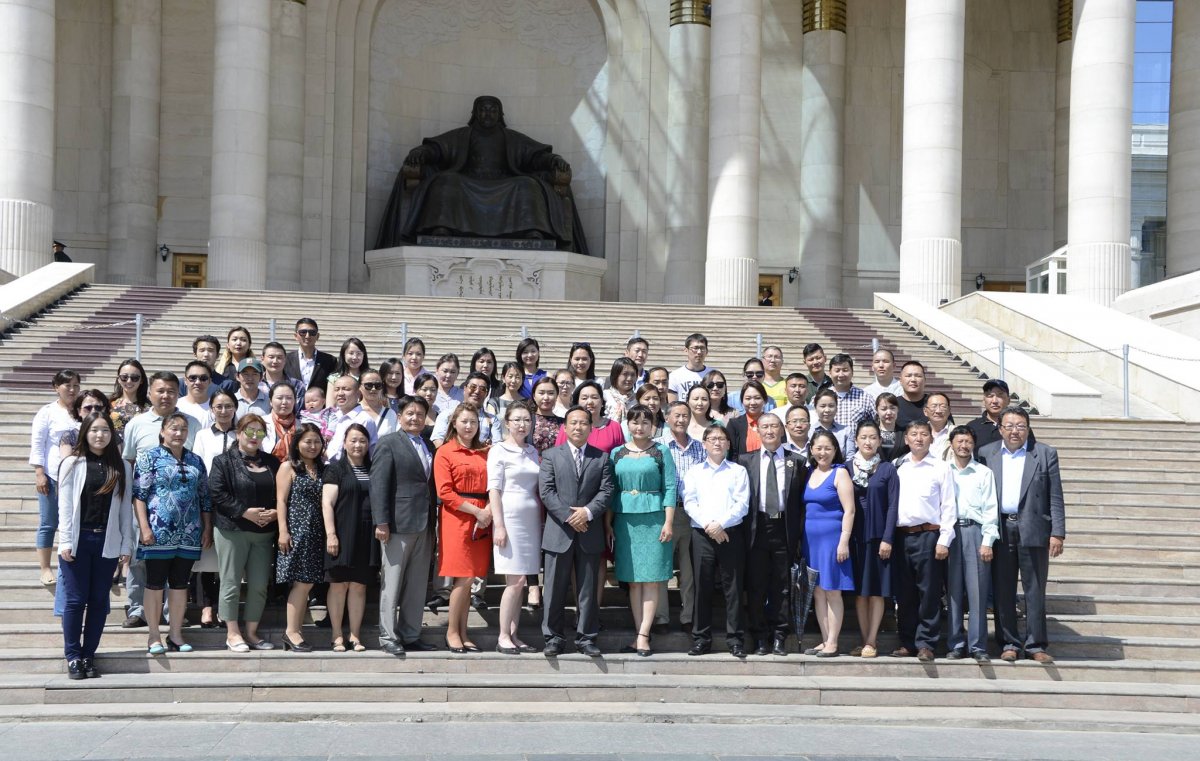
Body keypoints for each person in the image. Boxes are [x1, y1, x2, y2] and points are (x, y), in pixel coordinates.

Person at [978, 406, 1065, 664]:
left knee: (1035, 589)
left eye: (1020, 426)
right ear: (1000, 428)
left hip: (1034, 528)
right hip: (1000, 529)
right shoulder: (986, 453)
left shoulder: (1045, 453)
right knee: (1003, 589)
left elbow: (1056, 496)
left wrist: (1057, 533)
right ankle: (1008, 643)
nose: (1015, 431)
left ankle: (1036, 643)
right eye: (1009, 426)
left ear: (1028, 428)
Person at [120, 371, 201, 629]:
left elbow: (195, 462)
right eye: (160, 391)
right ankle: (136, 609)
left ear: (178, 394)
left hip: (184, 511)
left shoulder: (193, 423)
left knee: (175, 564)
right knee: (139, 560)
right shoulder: (137, 423)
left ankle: (171, 613)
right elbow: (129, 463)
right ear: (150, 393)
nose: (165, 396)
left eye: (171, 391)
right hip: (147, 506)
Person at [57, 413, 136, 679]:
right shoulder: (72, 463)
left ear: (112, 435)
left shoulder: (122, 466)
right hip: (78, 541)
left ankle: (89, 654)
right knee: (76, 600)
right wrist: (66, 540)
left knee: (99, 602)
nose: (99, 435)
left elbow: (125, 508)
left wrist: (126, 543)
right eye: (94, 430)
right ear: (85, 433)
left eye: (104, 430)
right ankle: (73, 656)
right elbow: (65, 506)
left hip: (107, 540)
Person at [132, 413, 212, 654]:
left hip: (189, 532)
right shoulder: (149, 457)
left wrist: (207, 527)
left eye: (183, 429)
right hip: (158, 532)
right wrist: (144, 528)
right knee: (155, 583)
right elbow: (139, 496)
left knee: (180, 584)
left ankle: (176, 634)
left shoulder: (196, 460)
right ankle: (154, 635)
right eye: (173, 428)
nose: (178, 433)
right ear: (163, 431)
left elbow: (204, 497)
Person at [538, 405, 614, 657]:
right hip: (559, 532)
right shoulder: (551, 456)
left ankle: (586, 638)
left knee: (588, 590)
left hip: (589, 532)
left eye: (583, 423)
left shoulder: (601, 457)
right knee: (553, 589)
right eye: (573, 422)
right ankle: (553, 637)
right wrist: (571, 516)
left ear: (591, 428)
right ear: (565, 426)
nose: (578, 427)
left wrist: (588, 512)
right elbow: (547, 492)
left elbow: (606, 491)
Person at [606, 405, 677, 657]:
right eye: (635, 422)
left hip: (655, 518)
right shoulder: (616, 453)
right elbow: (611, 491)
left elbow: (670, 487)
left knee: (651, 579)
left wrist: (668, 522)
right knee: (634, 581)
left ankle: (644, 635)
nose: (640, 427)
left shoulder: (661, 451)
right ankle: (639, 634)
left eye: (645, 422)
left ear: (653, 426)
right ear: (628, 424)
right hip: (624, 521)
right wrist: (608, 524)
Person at [370, 396, 438, 656]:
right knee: (393, 582)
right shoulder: (389, 443)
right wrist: (382, 522)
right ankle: (388, 635)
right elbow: (379, 485)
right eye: (410, 413)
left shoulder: (428, 444)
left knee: (418, 583)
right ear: (399, 416)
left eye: (420, 414)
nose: (415, 418)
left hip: (424, 523)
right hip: (397, 524)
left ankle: (411, 634)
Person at [208, 414, 281, 653]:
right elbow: (217, 493)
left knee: (259, 585)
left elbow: (282, 494)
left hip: (264, 533)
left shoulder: (272, 462)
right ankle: (232, 633)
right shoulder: (223, 461)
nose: (254, 436)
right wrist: (244, 512)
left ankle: (251, 632)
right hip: (233, 531)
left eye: (259, 432)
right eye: (249, 431)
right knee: (230, 583)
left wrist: (276, 513)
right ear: (238, 433)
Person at [889, 418, 957, 661]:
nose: (918, 438)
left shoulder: (941, 467)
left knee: (928, 592)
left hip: (929, 535)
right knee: (905, 593)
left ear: (931, 438)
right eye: (913, 433)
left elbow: (949, 506)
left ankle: (927, 642)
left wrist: (944, 540)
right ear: (906, 439)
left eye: (923, 434)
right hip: (901, 537)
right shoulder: (898, 466)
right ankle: (907, 641)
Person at [740, 412, 806, 656]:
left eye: (774, 427)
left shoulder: (796, 461)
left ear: (782, 430)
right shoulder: (745, 461)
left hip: (783, 530)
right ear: (757, 430)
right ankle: (759, 637)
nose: (769, 431)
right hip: (757, 530)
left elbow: (800, 502)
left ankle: (779, 635)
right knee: (756, 586)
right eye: (764, 426)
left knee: (782, 586)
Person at [682, 424, 749, 658]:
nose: (717, 443)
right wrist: (710, 526)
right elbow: (689, 502)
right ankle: (701, 638)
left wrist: (721, 523)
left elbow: (742, 504)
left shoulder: (738, 471)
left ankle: (736, 639)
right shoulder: (694, 472)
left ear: (729, 444)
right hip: (702, 534)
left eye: (722, 439)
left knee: (734, 589)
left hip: (731, 533)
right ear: (704, 444)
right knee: (703, 587)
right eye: (712, 439)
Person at [434, 403, 492, 653]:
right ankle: (451, 632)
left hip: (484, 517)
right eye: (464, 421)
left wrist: (487, 510)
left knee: (470, 579)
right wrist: (477, 511)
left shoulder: (485, 452)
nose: (469, 426)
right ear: (454, 424)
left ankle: (464, 631)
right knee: (463, 577)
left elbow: (496, 483)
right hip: (458, 517)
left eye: (474, 422)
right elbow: (444, 492)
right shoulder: (445, 452)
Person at [486, 401, 543, 653]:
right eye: (517, 419)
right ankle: (502, 636)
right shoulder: (498, 450)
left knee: (522, 580)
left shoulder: (532, 451)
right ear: (507, 423)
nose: (522, 424)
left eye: (527, 420)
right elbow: (494, 489)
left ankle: (514, 633)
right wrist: (499, 525)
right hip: (509, 518)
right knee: (515, 579)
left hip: (532, 520)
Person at [944, 425, 999, 663]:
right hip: (950, 532)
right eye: (959, 441)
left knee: (977, 592)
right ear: (951, 444)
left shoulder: (983, 473)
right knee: (953, 592)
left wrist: (988, 541)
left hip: (975, 532)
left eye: (967, 441)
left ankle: (977, 645)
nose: (963, 446)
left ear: (973, 445)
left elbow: (990, 509)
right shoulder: (943, 471)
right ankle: (955, 643)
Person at [324, 423, 379, 652]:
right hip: (342, 532)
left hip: (367, 535)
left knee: (359, 586)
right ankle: (337, 635)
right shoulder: (336, 469)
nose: (358, 445)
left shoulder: (373, 468)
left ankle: (355, 635)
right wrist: (331, 534)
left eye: (363, 441)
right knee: (338, 585)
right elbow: (327, 503)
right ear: (344, 443)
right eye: (353, 440)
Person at [847, 419, 898, 659]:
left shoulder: (888, 469)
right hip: (854, 538)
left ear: (880, 441)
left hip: (879, 538)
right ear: (856, 440)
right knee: (860, 592)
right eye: (864, 437)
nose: (868, 441)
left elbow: (893, 507)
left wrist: (888, 538)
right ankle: (863, 638)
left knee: (876, 591)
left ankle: (872, 641)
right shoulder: (847, 468)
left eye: (873, 437)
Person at [801, 430, 855, 657]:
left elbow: (850, 510)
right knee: (818, 592)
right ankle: (825, 640)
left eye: (828, 449)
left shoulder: (840, 473)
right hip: (810, 541)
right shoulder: (808, 472)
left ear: (835, 451)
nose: (823, 453)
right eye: (819, 448)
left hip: (833, 540)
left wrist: (844, 540)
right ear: (811, 449)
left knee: (833, 591)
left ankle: (833, 641)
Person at [275, 422, 327, 653]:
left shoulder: (323, 469)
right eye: (308, 441)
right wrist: (283, 531)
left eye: (317, 441)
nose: (312, 445)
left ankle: (294, 630)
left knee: (308, 582)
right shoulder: (288, 467)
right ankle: (291, 631)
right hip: (297, 531)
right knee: (301, 582)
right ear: (297, 444)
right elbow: (281, 501)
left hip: (318, 532)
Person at [655, 402, 705, 634]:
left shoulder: (698, 447)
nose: (681, 420)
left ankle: (687, 617)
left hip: (691, 513)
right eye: (677, 416)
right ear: (667, 418)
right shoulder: (658, 447)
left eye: (685, 415)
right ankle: (661, 617)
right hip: (666, 512)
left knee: (689, 571)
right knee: (662, 569)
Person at [31, 369, 81, 585]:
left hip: (79, 476)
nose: (72, 389)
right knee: (48, 522)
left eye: (75, 385)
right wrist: (39, 473)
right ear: (56, 387)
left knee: (74, 521)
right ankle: (45, 567)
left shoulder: (82, 410)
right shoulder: (47, 412)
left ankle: (71, 563)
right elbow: (38, 442)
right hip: (53, 476)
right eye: (67, 385)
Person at [966, 379, 1035, 455]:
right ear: (983, 400)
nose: (994, 401)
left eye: (1000, 395)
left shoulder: (1020, 428)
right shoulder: (972, 427)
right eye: (990, 396)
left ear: (1008, 400)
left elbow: (1032, 453)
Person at [553, 380, 625, 453]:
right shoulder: (567, 426)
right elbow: (558, 456)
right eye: (584, 398)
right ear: (577, 402)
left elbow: (620, 457)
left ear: (602, 402)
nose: (590, 402)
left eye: (594, 397)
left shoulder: (614, 427)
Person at [432, 372, 499, 446]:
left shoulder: (492, 420)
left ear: (486, 394)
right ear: (464, 389)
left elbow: (497, 446)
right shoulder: (447, 414)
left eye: (482, 389)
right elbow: (438, 440)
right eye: (473, 387)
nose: (477, 391)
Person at [324, 375, 378, 461]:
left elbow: (371, 454)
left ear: (358, 394)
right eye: (337, 389)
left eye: (346, 389)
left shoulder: (364, 420)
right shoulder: (331, 415)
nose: (340, 393)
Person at [284, 318, 337, 395]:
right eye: (303, 332)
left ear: (317, 336)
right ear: (296, 336)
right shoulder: (286, 359)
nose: (307, 336)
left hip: (320, 406)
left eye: (312, 332)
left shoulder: (330, 361)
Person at [828, 354, 875, 430]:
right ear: (830, 373)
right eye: (837, 370)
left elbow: (877, 423)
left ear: (852, 372)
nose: (841, 374)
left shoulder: (865, 398)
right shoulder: (820, 398)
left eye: (845, 370)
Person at [109, 359, 149, 443]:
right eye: (124, 377)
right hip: (114, 453)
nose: (129, 381)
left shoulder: (150, 407)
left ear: (141, 380)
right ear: (119, 379)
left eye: (135, 378)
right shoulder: (109, 404)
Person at [726, 380, 769, 459]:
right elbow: (732, 455)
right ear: (742, 401)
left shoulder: (773, 423)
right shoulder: (734, 424)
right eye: (748, 398)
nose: (752, 402)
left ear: (765, 400)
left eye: (757, 398)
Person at [809, 388, 855, 459]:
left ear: (836, 408)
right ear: (815, 408)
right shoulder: (809, 432)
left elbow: (850, 458)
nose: (827, 410)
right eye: (823, 406)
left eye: (831, 406)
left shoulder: (846, 431)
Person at [486, 362, 525, 438]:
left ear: (522, 380)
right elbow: (491, 427)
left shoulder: (528, 403)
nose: (513, 381)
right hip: (500, 446)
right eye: (510, 376)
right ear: (503, 378)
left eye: (517, 377)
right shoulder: (494, 403)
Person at [667, 333, 711, 402]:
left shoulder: (713, 375)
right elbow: (672, 406)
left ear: (707, 351)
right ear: (686, 350)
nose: (699, 352)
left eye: (702, 348)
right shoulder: (674, 376)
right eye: (695, 348)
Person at [261, 382, 298, 461]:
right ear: (270, 401)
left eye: (289, 398)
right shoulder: (261, 423)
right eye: (279, 398)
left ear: (294, 401)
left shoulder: (301, 426)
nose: (284, 402)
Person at [358, 369, 399, 438]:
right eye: (368, 385)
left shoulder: (390, 414)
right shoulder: (352, 411)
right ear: (359, 386)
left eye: (378, 385)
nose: (373, 389)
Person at [326, 337, 369, 402]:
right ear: (344, 355)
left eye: (359, 353)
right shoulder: (334, 378)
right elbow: (330, 406)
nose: (355, 357)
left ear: (364, 355)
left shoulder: (369, 377)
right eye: (351, 353)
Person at [529, 375, 564, 453]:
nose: (546, 398)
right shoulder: (527, 420)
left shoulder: (563, 423)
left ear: (556, 396)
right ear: (534, 396)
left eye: (550, 393)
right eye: (541, 393)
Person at [895, 361, 930, 430]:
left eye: (918, 376)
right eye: (908, 376)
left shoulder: (934, 403)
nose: (913, 379)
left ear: (925, 380)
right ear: (900, 381)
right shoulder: (893, 405)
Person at [177, 360, 214, 425]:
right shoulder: (175, 406)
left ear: (210, 381)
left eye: (203, 378)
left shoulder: (217, 408)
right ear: (185, 380)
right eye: (193, 378)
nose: (198, 382)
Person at [602, 357, 638, 422]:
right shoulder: (604, 396)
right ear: (615, 375)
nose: (629, 378)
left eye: (633, 375)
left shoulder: (638, 399)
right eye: (625, 374)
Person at [875, 392, 901, 458]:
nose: (889, 412)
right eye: (884, 409)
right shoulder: (871, 432)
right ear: (877, 411)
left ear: (898, 409)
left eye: (892, 408)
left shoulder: (905, 433)